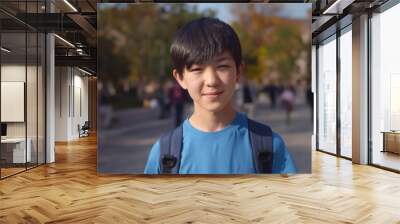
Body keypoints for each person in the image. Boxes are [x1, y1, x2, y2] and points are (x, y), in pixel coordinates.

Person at [144, 17, 296, 174]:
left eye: (222, 66)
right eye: (197, 69)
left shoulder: (269, 145)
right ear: (180, 78)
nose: (211, 81)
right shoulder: (164, 154)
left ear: (238, 72)